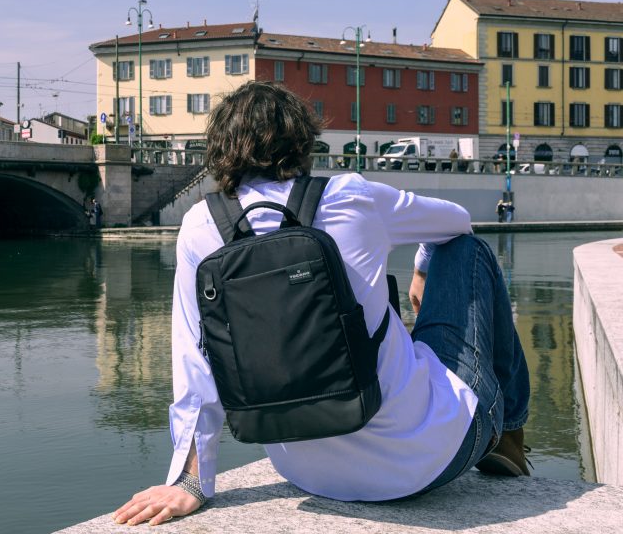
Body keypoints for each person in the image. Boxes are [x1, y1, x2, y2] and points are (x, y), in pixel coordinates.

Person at [111, 81, 530, 527]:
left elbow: (194, 360)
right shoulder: (351, 196)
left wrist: (190, 481)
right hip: (431, 459)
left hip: (306, 474)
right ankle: (509, 432)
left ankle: (201, 473)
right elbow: (458, 223)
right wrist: (423, 267)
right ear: (303, 142)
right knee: (468, 250)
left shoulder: (200, 225)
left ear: (221, 150)